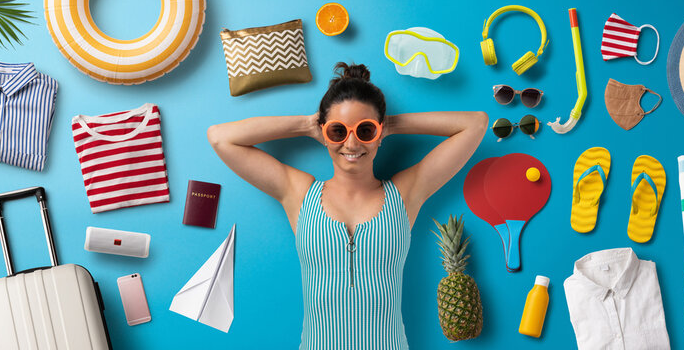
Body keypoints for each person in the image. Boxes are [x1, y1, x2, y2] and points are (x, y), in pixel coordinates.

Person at [207, 62, 487, 349]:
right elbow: (220, 138)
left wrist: (388, 125)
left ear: (379, 135)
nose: (352, 143)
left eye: (365, 130)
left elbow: (475, 123)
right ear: (324, 134)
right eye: (338, 131)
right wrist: (306, 125)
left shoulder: (404, 194)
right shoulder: (299, 194)